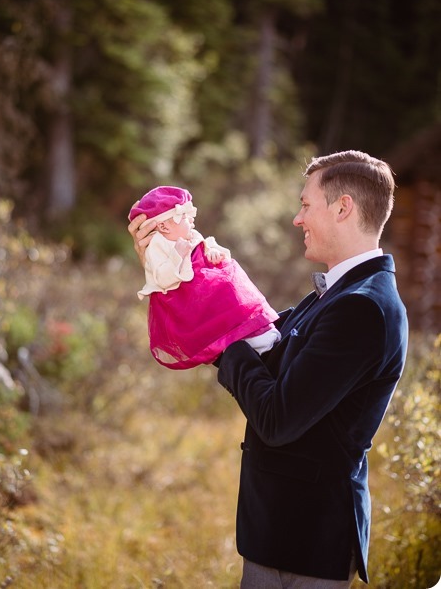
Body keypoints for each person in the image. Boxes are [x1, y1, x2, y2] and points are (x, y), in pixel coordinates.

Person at [127, 151, 408, 588]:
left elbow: (277, 418)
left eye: (305, 205)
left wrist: (225, 341)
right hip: (277, 531)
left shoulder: (364, 307)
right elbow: (270, 352)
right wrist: (181, 270)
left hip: (309, 541)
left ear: (343, 207)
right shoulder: (335, 294)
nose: (298, 219)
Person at [128, 185, 280, 370]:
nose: (191, 220)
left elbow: (205, 246)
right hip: (183, 296)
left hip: (203, 282)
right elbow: (160, 277)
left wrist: (212, 252)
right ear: (163, 226)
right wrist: (177, 254)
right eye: (184, 216)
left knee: (230, 284)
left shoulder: (190, 234)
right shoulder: (157, 246)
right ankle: (246, 339)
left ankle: (255, 329)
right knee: (222, 295)